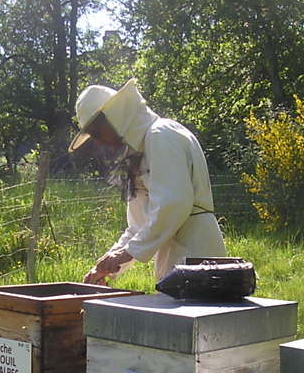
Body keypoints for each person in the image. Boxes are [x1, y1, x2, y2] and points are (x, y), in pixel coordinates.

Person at [69, 79, 225, 285]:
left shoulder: (162, 135)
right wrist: (107, 266)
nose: (98, 142)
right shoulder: (138, 152)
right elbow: (139, 226)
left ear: (115, 116)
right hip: (172, 258)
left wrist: (126, 253)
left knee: (198, 316)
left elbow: (174, 203)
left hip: (198, 251)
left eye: (97, 133)